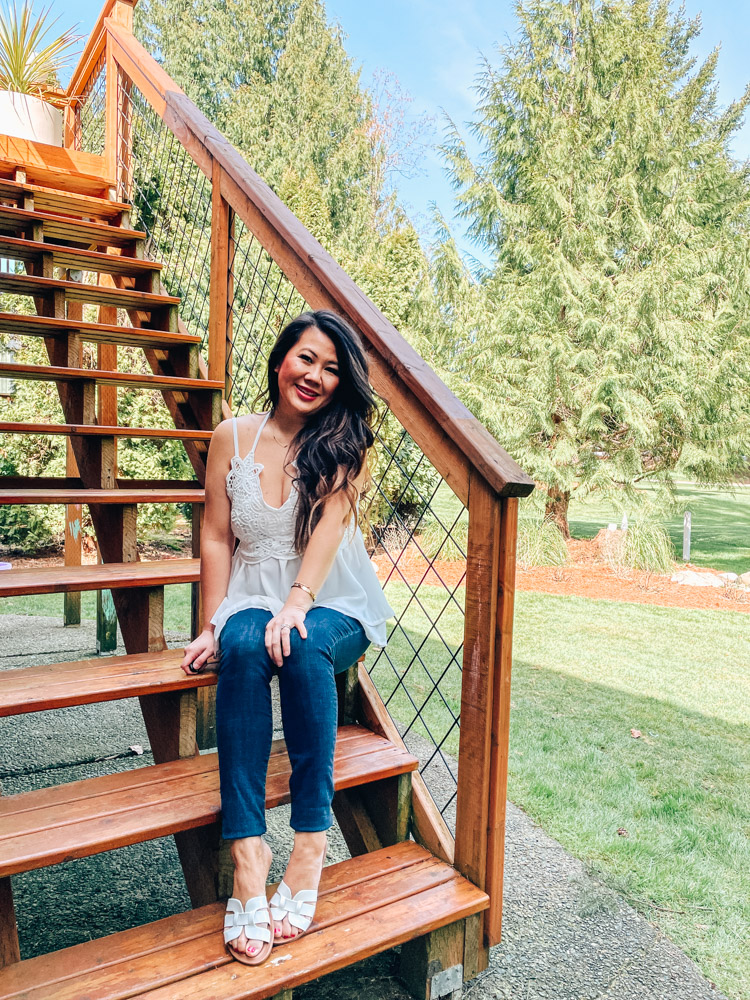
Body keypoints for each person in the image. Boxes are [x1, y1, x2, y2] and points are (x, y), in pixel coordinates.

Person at [180, 310, 393, 966]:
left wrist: (298, 602)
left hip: (332, 596)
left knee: (300, 645)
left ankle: (308, 844)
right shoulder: (231, 437)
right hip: (250, 592)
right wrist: (213, 622)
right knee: (244, 647)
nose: (317, 376)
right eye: (307, 359)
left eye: (332, 368)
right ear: (280, 361)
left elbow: (328, 534)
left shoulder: (343, 442)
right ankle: (249, 852)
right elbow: (217, 535)